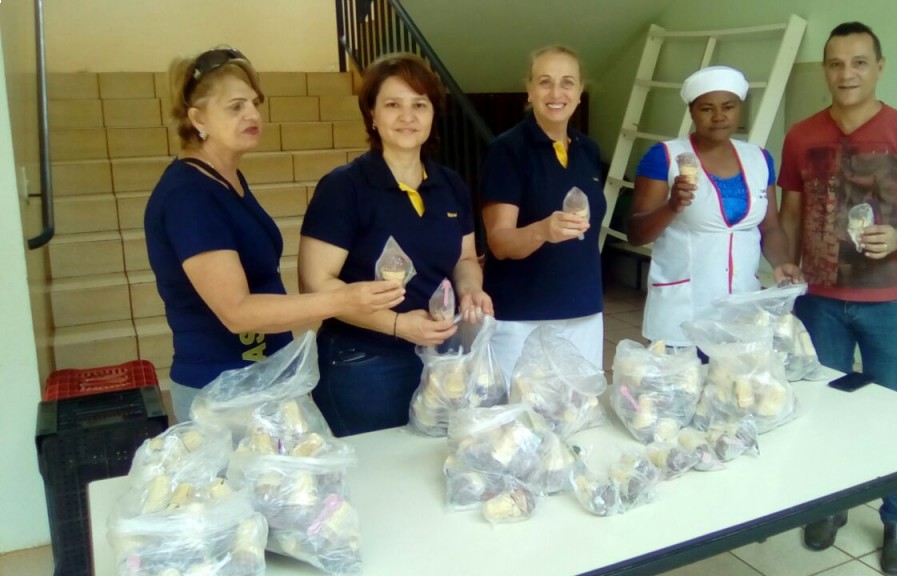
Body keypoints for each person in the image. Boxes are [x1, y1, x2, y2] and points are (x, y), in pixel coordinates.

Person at [146, 47, 404, 422]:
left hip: (265, 379)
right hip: (222, 392)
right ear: (197, 118)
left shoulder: (225, 179)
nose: (252, 115)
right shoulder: (189, 195)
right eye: (235, 107)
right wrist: (342, 300)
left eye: (255, 103)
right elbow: (237, 312)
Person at [778, 22, 897, 575]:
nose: (846, 73)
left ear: (879, 67)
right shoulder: (801, 135)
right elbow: (790, 214)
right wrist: (784, 267)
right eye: (835, 63)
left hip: (890, 304)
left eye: (858, 62)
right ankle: (831, 503)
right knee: (822, 409)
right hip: (818, 301)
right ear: (825, 70)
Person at [299, 53, 492, 437]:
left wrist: (471, 289)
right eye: (393, 105)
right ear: (371, 114)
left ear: (433, 113)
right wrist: (398, 324)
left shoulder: (450, 185)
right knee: (378, 468)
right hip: (364, 362)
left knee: (432, 461)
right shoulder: (344, 188)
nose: (408, 116)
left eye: (419, 104)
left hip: (439, 358)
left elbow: (466, 258)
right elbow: (316, 284)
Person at [628, 66, 801, 349]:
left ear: (739, 109)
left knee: (736, 378)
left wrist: (781, 262)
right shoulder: (666, 157)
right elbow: (636, 233)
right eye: (707, 108)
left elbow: (770, 226)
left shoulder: (759, 158)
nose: (719, 116)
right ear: (692, 112)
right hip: (682, 312)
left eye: (728, 107)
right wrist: (672, 206)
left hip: (742, 311)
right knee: (682, 378)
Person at [480, 45, 606, 380]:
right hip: (522, 317)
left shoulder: (588, 150)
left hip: (583, 310)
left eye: (567, 82)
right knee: (520, 409)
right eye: (545, 82)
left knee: (580, 404)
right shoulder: (507, 151)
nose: (556, 93)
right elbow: (500, 242)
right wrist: (542, 231)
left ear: (580, 91)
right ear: (530, 89)